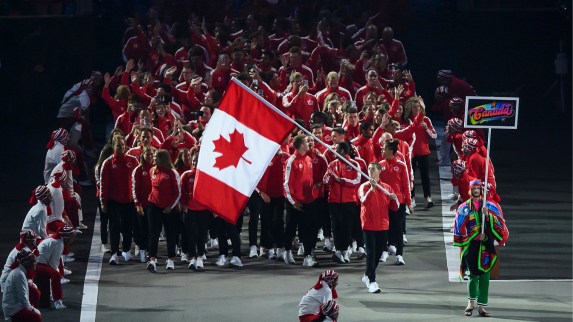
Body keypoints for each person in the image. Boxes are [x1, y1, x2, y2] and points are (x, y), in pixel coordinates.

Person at [454, 179, 508, 317]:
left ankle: (482, 307)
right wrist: (473, 236)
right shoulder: (464, 208)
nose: (476, 190)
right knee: (473, 274)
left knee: (485, 275)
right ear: (470, 190)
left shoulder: (489, 206)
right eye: (474, 188)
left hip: (485, 247)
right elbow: (459, 228)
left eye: (478, 188)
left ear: (481, 190)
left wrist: (487, 216)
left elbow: (499, 225)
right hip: (472, 246)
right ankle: (470, 303)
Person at [359, 162, 399, 293]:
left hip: (382, 225)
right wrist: (372, 188)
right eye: (369, 168)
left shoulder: (387, 188)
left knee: (377, 254)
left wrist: (394, 199)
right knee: (370, 253)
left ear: (379, 171)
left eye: (372, 168)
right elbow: (364, 201)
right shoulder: (364, 187)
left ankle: (367, 274)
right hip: (369, 225)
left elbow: (395, 208)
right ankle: (372, 281)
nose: (370, 170)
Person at [100, 136, 139, 265]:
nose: (121, 148)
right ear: (113, 147)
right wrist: (103, 203)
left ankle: (127, 250)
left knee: (128, 228)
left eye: (123, 145)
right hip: (113, 201)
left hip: (129, 201)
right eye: (118, 145)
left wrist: (137, 200)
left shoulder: (133, 161)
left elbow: (137, 181)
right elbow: (103, 185)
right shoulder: (108, 163)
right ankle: (114, 254)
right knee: (114, 227)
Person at [323, 142, 361, 263]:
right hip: (334, 201)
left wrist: (341, 180)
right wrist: (329, 177)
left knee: (347, 226)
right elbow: (325, 181)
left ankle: (345, 250)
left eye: (336, 149)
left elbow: (357, 181)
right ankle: (339, 250)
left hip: (349, 201)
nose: (334, 151)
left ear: (343, 151)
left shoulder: (354, 164)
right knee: (336, 226)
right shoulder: (332, 164)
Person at [283, 135, 318, 267]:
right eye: (306, 142)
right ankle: (286, 251)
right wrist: (293, 202)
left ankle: (307, 256)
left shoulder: (308, 159)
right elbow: (286, 184)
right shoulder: (291, 161)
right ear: (300, 146)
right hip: (294, 202)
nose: (309, 143)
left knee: (308, 229)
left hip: (309, 200)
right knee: (291, 228)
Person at [146, 149, 181, 273]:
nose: (154, 159)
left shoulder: (172, 173)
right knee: (153, 233)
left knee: (170, 234)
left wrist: (170, 206)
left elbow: (177, 193)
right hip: (153, 206)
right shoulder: (152, 171)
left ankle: (170, 258)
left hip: (168, 208)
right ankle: (152, 259)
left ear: (163, 159)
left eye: (156, 157)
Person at [378, 139, 412, 265]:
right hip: (383, 203)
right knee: (384, 228)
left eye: (384, 149)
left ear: (391, 151)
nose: (382, 150)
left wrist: (409, 203)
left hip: (398, 202)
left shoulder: (401, 166)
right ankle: (384, 251)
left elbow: (406, 185)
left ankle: (399, 255)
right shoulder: (379, 165)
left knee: (398, 229)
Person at [36, 225, 75, 310]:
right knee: (55, 275)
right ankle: (57, 301)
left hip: (39, 263)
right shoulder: (58, 243)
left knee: (54, 272)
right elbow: (53, 264)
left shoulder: (55, 240)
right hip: (38, 265)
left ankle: (52, 295)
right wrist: (57, 274)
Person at [1, 249, 42, 322]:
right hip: (13, 310)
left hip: (15, 304)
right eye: (34, 261)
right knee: (36, 317)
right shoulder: (19, 274)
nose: (36, 263)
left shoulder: (20, 271)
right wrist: (31, 309)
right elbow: (22, 296)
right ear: (27, 263)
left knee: (35, 292)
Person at [131, 146, 155, 263]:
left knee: (153, 229)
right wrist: (137, 204)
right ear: (143, 155)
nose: (149, 156)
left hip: (154, 205)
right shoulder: (138, 170)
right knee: (142, 229)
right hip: (142, 205)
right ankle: (142, 250)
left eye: (151, 154)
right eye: (147, 154)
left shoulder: (156, 169)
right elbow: (134, 189)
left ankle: (151, 253)